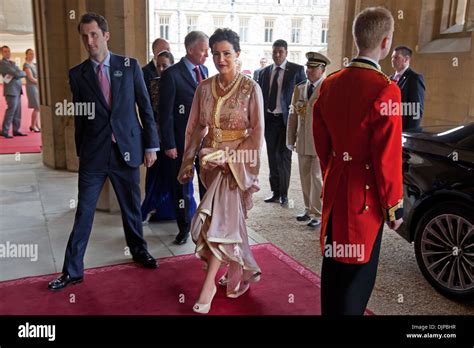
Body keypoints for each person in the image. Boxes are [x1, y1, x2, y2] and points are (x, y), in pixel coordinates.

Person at [48, 12, 160, 291]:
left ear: (106, 35)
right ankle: (72, 270)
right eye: (85, 36)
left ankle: (139, 250)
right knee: (84, 212)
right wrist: (81, 152)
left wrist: (151, 144)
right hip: (94, 156)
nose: (89, 41)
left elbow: (144, 108)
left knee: (132, 207)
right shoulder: (78, 74)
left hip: (127, 149)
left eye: (94, 34)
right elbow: (80, 116)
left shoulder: (129, 66)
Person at [313, 7, 404, 315]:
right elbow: (387, 156)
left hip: (337, 187)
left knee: (334, 268)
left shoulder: (330, 82)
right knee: (358, 275)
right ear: (386, 41)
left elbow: (322, 141)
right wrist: (394, 205)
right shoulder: (386, 89)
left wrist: (334, 169)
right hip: (364, 197)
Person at [178, 28, 264, 314]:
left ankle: (209, 285)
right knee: (229, 221)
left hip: (235, 165)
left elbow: (256, 133)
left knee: (218, 221)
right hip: (209, 164)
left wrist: (232, 161)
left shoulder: (251, 89)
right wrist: (188, 161)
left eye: (227, 53)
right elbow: (195, 128)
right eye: (215, 53)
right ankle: (240, 271)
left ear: (238, 54)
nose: (221, 59)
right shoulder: (204, 88)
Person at [158, 31, 209, 245]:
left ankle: (206, 225)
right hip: (180, 144)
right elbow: (165, 113)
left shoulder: (205, 70)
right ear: (190, 50)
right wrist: (169, 144)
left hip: (205, 143)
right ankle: (184, 227)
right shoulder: (172, 74)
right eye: (203, 50)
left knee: (207, 184)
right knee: (182, 188)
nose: (207, 54)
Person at [141, 51, 197, 222]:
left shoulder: (180, 79)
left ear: (172, 65)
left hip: (177, 137)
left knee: (178, 179)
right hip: (157, 139)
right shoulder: (152, 84)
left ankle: (178, 213)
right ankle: (155, 208)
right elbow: (149, 112)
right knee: (156, 177)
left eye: (165, 65)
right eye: (158, 65)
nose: (161, 68)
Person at [258, 40, 305, 206]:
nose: (277, 55)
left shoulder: (297, 71)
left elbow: (303, 96)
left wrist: (299, 123)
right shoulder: (263, 73)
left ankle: (284, 194)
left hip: (286, 121)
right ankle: (275, 192)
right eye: (275, 52)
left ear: (286, 53)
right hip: (269, 120)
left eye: (280, 52)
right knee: (271, 156)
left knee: (284, 157)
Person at [286, 52, 329, 228]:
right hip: (303, 140)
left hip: (319, 142)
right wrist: (290, 138)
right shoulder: (300, 88)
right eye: (308, 67)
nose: (309, 70)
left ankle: (317, 213)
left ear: (322, 69)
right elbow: (293, 114)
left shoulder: (327, 88)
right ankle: (307, 207)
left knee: (317, 177)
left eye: (313, 68)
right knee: (304, 176)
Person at [390, 45, 425, 131]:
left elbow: (416, 110)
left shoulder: (414, 78)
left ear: (405, 59)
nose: (392, 60)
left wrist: (409, 134)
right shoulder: (389, 78)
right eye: (392, 57)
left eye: (396, 57)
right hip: (390, 127)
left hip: (403, 129)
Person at [0, 45, 27, 138]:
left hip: (17, 89)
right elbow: (17, 73)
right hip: (11, 90)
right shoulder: (2, 63)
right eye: (5, 51)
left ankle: (16, 130)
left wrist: (19, 73)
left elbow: (21, 73)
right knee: (11, 111)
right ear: (2, 53)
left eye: (8, 51)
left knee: (17, 111)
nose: (8, 53)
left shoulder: (12, 62)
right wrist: (19, 73)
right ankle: (5, 131)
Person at [23, 48, 40, 132]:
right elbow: (31, 78)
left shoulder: (35, 64)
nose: (31, 55)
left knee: (38, 107)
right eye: (30, 53)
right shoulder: (26, 65)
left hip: (37, 86)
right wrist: (41, 83)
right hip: (32, 87)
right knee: (37, 107)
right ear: (26, 55)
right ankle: (33, 126)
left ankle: (36, 125)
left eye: (32, 53)